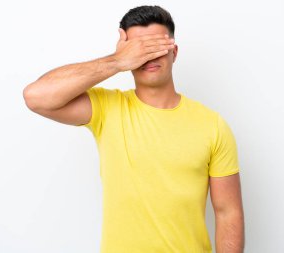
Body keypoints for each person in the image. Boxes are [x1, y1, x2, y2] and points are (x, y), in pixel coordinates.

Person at [23, 5, 245, 253]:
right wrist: (117, 61)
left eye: (156, 47)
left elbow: (228, 213)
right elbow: (36, 97)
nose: (148, 57)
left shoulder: (212, 125)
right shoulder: (107, 108)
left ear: (174, 52)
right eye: (139, 49)